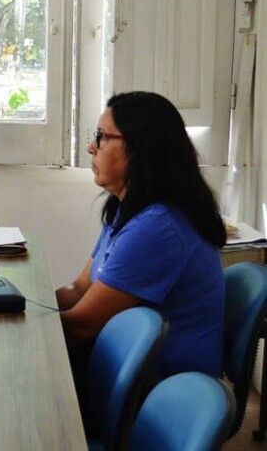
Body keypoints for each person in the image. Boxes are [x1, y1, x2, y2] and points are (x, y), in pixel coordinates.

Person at [56, 91, 226, 377]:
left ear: (139, 149)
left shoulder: (158, 226)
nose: (91, 147)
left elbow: (83, 326)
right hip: (125, 364)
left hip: (159, 384)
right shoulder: (128, 208)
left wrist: (16, 323)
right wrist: (17, 302)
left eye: (101, 137)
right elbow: (80, 288)